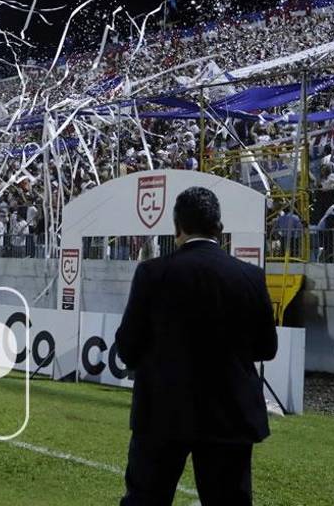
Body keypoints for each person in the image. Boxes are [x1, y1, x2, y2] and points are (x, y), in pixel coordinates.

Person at [115, 186, 277, 506]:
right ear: (219, 228)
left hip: (162, 412)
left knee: (145, 500)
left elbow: (127, 347)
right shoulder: (250, 276)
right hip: (229, 415)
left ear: (177, 228)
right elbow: (266, 348)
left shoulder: (153, 273)